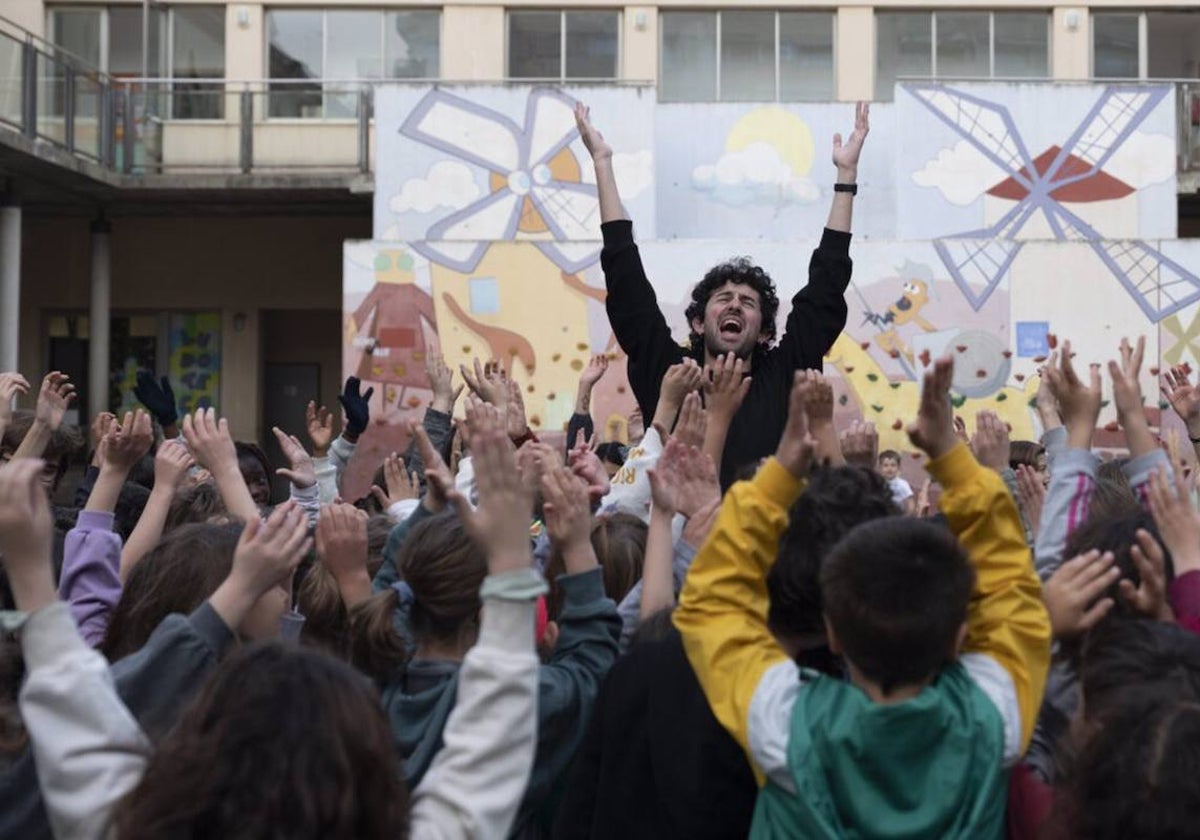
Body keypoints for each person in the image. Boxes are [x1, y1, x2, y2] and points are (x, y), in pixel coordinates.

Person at [674, 358, 1051, 836]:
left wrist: (778, 479)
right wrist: (954, 460)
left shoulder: (786, 726)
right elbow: (1012, 583)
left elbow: (710, 602)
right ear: (961, 637)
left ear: (832, 632)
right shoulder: (996, 718)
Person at [575, 101, 869, 488]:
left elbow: (826, 286)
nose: (734, 304)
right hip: (679, 544)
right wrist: (601, 164)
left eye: (748, 302)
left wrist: (846, 177)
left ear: (764, 331)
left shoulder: (785, 375)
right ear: (698, 321)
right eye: (723, 298)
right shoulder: (673, 375)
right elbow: (627, 283)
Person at [876, 449, 915, 514]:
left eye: (893, 465)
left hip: (897, 515)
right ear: (880, 468)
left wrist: (907, 517)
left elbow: (911, 503)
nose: (889, 468)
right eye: (886, 465)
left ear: (898, 467)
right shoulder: (878, 483)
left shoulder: (902, 484)